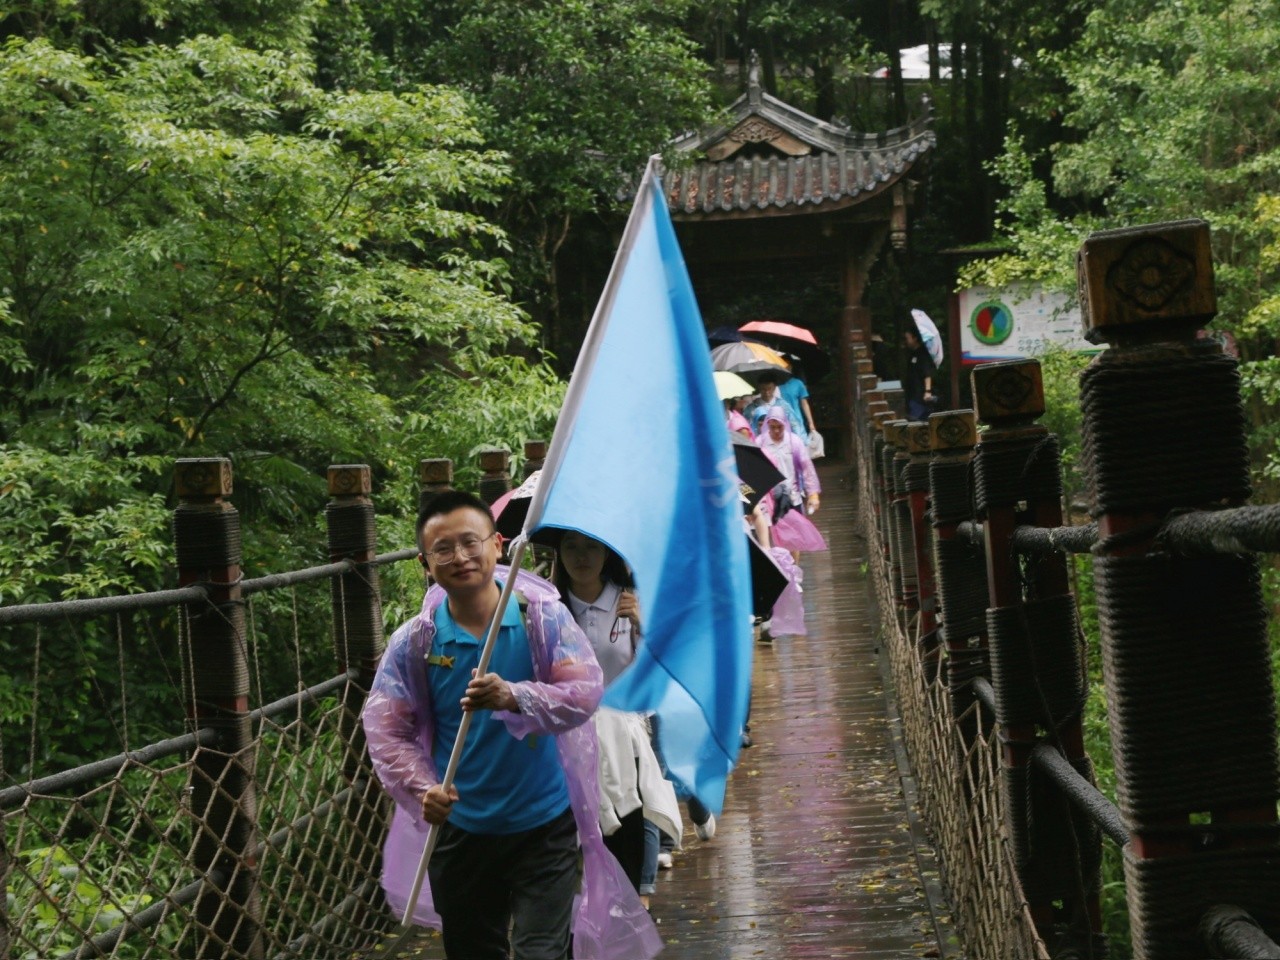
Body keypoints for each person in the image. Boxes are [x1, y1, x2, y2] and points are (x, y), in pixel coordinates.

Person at [362, 490, 657, 960]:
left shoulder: (543, 619)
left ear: (497, 545)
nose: (460, 557)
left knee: (541, 951)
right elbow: (386, 729)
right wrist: (422, 788)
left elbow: (584, 693)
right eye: (443, 549)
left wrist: (516, 696)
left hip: (544, 825)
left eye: (470, 542)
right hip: (461, 829)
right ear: (425, 563)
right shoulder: (416, 641)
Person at [552, 531, 681, 910]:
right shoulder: (549, 609)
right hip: (572, 736)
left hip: (627, 731)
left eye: (591, 546)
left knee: (631, 813)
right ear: (558, 552)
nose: (581, 556)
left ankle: (637, 901)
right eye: (571, 547)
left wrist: (645, 625)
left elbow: (664, 667)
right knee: (585, 820)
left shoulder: (630, 602)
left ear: (607, 552)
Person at [755, 407, 827, 560]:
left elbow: (807, 469)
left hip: (791, 497)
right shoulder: (760, 442)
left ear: (785, 424)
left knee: (793, 539)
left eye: (779, 427)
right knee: (771, 538)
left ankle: (793, 569)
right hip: (768, 499)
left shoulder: (794, 442)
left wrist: (813, 494)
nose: (776, 431)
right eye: (772, 427)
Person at [776, 359, 817, 445]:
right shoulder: (774, 385)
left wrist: (811, 423)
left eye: (787, 365)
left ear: (791, 367)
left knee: (800, 446)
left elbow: (804, 404)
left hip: (796, 422)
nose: (785, 368)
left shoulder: (798, 383)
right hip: (779, 421)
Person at [903, 324, 937, 421]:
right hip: (912, 395)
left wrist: (927, 391)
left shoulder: (922, 354)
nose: (906, 341)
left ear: (915, 338)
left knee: (918, 421)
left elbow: (927, 374)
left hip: (920, 397)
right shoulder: (912, 354)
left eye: (908, 338)